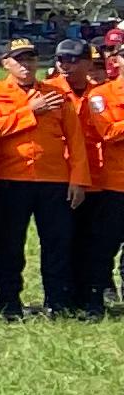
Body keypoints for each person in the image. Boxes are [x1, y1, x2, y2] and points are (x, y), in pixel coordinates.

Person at [0, 34, 80, 320]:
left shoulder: (55, 94)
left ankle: (56, 301)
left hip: (53, 180)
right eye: (18, 59)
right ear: (6, 63)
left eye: (30, 58)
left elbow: (76, 141)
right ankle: (8, 300)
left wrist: (78, 179)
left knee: (57, 243)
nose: (25, 65)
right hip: (12, 179)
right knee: (8, 244)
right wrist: (28, 112)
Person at [72, 34, 124, 319]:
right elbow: (108, 132)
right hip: (114, 185)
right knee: (103, 246)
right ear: (117, 61)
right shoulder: (101, 95)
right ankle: (95, 299)